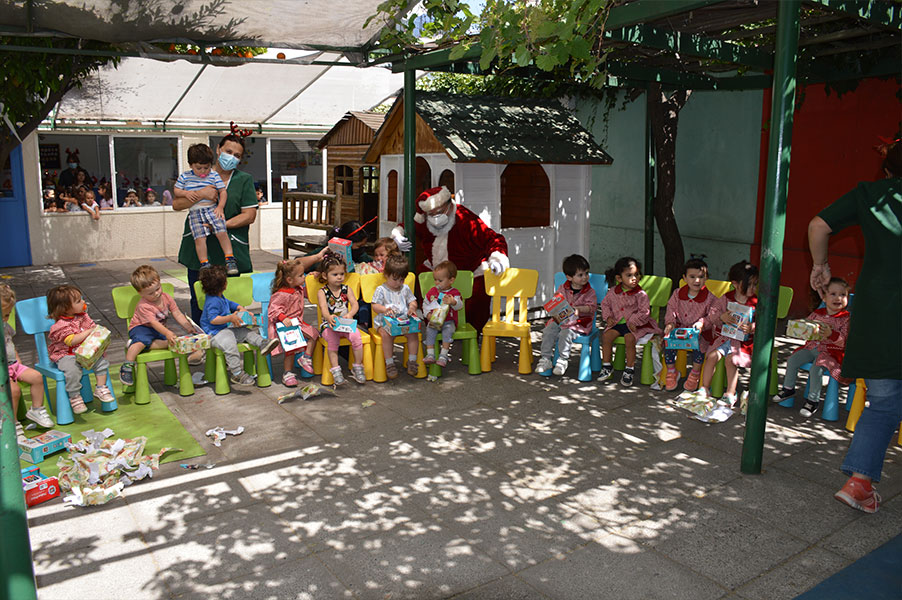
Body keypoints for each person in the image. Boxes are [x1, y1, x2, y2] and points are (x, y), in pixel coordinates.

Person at [809, 139, 901, 514]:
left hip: (879, 312)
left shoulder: (871, 194)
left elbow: (818, 224)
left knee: (882, 403)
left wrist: (821, 264)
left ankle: (859, 481)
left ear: (889, 171)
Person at [391, 186, 509, 332]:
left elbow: (493, 238)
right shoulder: (424, 221)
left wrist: (497, 257)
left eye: (439, 212)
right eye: (431, 214)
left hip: (468, 268)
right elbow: (405, 226)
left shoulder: (465, 218)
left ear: (449, 204)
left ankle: (472, 330)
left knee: (477, 294)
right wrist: (398, 235)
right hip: (437, 268)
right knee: (424, 281)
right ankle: (435, 327)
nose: (435, 217)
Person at [174, 133, 259, 323]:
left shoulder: (243, 180)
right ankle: (202, 343)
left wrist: (218, 225)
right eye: (228, 151)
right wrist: (200, 193)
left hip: (229, 251)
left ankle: (231, 344)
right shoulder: (196, 174)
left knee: (232, 300)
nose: (232, 157)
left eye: (237, 155)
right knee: (200, 300)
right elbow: (176, 205)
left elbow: (249, 215)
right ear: (218, 150)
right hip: (200, 251)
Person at [772, 277, 851, 417]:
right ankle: (788, 389)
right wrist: (799, 327)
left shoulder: (846, 318)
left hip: (832, 353)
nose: (838, 298)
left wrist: (831, 334)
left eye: (843, 294)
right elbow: (806, 326)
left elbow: (845, 341)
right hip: (812, 348)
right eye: (833, 294)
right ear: (824, 297)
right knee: (793, 359)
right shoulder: (817, 314)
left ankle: (812, 401)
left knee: (816, 368)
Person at [119, 265, 204, 386]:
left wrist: (188, 326)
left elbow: (177, 313)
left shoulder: (166, 298)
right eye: (150, 293)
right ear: (140, 293)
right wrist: (167, 332)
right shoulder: (144, 305)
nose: (156, 294)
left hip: (158, 329)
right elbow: (153, 323)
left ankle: (139, 345)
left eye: (158, 289)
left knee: (173, 342)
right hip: (141, 328)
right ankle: (127, 365)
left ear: (159, 282)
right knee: (142, 340)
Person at [199, 265, 278, 387]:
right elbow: (214, 320)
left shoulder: (219, 297)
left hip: (226, 328)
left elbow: (231, 304)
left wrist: (241, 309)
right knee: (230, 345)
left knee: (246, 332)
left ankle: (262, 343)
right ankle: (236, 373)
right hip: (215, 334)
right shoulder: (212, 301)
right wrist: (230, 317)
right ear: (224, 285)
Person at [696, 260, 759, 407]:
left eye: (755, 284)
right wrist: (721, 317)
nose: (752, 288)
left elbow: (763, 322)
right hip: (724, 338)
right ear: (735, 284)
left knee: (730, 360)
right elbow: (713, 313)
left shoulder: (756, 302)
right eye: (748, 284)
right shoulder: (726, 298)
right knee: (711, 356)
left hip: (743, 343)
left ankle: (730, 393)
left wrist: (752, 327)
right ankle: (704, 388)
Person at [46, 284, 114, 414]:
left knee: (101, 361)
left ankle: (101, 387)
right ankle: (75, 396)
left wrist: (99, 335)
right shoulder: (60, 325)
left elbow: (93, 328)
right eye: (78, 301)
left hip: (86, 351)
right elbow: (71, 340)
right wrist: (89, 332)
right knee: (72, 370)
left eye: (81, 299)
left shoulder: (83, 317)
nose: (83, 302)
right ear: (65, 308)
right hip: (66, 354)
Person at [173, 143, 238, 276]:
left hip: (211, 209)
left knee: (221, 232)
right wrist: (186, 193)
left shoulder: (213, 176)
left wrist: (220, 207)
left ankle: (230, 259)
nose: (203, 171)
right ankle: (204, 263)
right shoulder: (185, 177)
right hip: (195, 213)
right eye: (199, 168)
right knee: (199, 238)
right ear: (191, 165)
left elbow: (223, 192)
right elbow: (176, 190)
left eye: (206, 167)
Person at [598, 257, 661, 386]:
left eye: (637, 274)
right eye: (629, 275)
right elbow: (605, 305)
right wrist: (608, 317)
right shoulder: (613, 292)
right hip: (617, 323)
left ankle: (629, 369)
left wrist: (634, 320)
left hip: (635, 325)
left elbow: (645, 311)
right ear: (619, 278)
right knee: (606, 337)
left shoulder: (640, 294)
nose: (634, 278)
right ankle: (607, 366)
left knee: (629, 339)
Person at [1, 285, 53, 441]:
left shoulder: (5, 327)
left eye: (7, 315)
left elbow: (11, 345)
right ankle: (12, 424)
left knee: (36, 377)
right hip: (2, 370)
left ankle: (36, 410)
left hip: (13, 365)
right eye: (2, 315)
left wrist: (18, 361)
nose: (5, 319)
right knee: (14, 390)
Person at [537, 254, 598, 377]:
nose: (585, 277)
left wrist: (579, 309)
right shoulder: (563, 288)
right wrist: (554, 306)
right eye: (580, 275)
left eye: (586, 273)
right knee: (548, 331)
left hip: (579, 323)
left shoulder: (589, 291)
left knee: (565, 333)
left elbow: (592, 308)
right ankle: (546, 358)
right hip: (561, 320)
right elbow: (557, 301)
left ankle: (562, 360)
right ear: (569, 277)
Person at [662, 258, 717, 391]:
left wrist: (702, 323)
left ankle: (695, 373)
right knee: (668, 341)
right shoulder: (677, 294)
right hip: (680, 328)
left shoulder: (710, 298)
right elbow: (671, 309)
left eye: (701, 277)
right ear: (685, 278)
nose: (696, 281)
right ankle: (671, 371)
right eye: (692, 277)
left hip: (699, 332)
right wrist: (670, 323)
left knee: (700, 346)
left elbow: (713, 315)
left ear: (706, 278)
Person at [315, 252, 366, 385]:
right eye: (335, 274)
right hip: (329, 324)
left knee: (356, 337)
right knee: (332, 339)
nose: (339, 277)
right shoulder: (323, 292)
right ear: (325, 275)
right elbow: (323, 308)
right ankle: (335, 369)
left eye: (342, 274)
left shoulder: (346, 289)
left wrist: (350, 314)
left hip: (345, 323)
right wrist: (328, 316)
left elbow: (355, 304)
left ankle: (357, 366)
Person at [268, 258, 319, 387]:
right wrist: (283, 318)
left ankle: (305, 358)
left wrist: (314, 278)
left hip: (297, 324)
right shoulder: (281, 294)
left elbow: (309, 293)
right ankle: (287, 373)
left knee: (314, 333)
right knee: (291, 348)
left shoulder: (298, 288)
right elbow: (272, 310)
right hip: (285, 326)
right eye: (301, 275)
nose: (304, 277)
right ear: (290, 280)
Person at [372, 254, 420, 379]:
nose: (398, 283)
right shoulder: (381, 290)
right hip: (384, 323)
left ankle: (412, 361)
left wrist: (412, 307)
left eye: (402, 280)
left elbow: (412, 301)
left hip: (402, 321)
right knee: (387, 335)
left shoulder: (405, 288)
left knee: (413, 334)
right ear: (386, 275)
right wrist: (384, 309)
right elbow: (375, 306)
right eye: (395, 279)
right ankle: (389, 363)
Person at [422, 260, 464, 367]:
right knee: (430, 329)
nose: (437, 283)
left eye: (440, 280)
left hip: (449, 321)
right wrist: (427, 315)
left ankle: (443, 355)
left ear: (451, 280)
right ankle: (430, 354)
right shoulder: (432, 292)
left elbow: (460, 306)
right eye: (435, 280)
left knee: (448, 331)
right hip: (435, 320)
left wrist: (453, 302)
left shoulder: (454, 293)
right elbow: (425, 304)